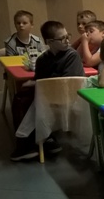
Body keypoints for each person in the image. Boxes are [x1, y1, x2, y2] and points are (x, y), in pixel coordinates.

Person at [10, 21, 84, 161]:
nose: (67, 41)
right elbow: (39, 79)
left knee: (26, 101)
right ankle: (42, 139)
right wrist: (34, 83)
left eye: (67, 36)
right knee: (20, 98)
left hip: (66, 97)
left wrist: (36, 83)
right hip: (47, 95)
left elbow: (67, 84)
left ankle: (30, 143)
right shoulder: (42, 59)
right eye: (62, 38)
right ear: (49, 42)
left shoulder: (72, 56)